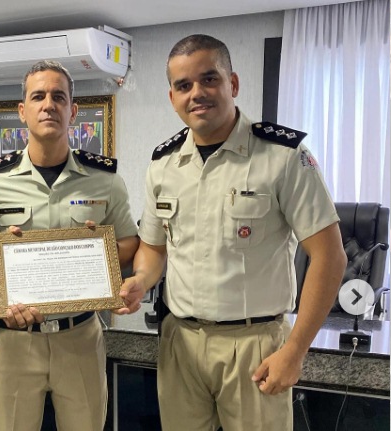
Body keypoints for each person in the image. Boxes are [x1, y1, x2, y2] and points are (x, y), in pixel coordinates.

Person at [119, 34, 347, 431]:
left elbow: (330, 256)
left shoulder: (283, 156)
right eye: (183, 85)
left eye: (209, 79)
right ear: (172, 97)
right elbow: (154, 249)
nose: (197, 93)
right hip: (180, 342)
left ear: (233, 83)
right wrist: (141, 280)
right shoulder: (163, 165)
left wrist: (295, 351)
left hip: (255, 345)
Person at [0, 60, 139, 431]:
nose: (48, 105)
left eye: (58, 97)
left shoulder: (105, 180)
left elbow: (130, 242)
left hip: (80, 336)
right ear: (22, 111)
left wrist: (96, 254)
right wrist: (3, 258)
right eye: (38, 97)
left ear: (73, 111)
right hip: (16, 341)